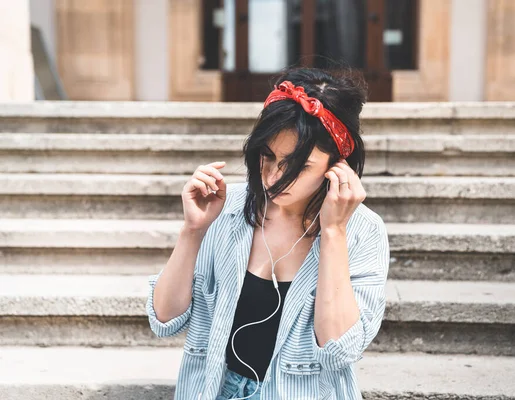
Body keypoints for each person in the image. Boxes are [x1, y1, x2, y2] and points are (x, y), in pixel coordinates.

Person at [146, 66, 390, 400]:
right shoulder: (225, 206)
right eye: (268, 156)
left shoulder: (363, 230)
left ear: (337, 165)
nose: (274, 177)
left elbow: (339, 350)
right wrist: (192, 231)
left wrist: (333, 231)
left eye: (298, 166)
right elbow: (164, 319)